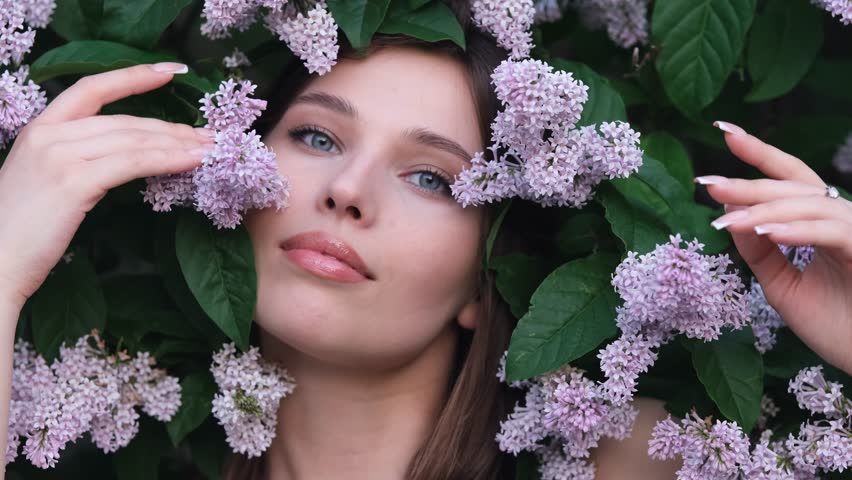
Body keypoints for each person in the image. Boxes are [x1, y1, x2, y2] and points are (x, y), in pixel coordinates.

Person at [0, 5, 850, 480]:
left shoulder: (641, 467)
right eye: (318, 139)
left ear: (489, 284)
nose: (345, 190)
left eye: (432, 177)